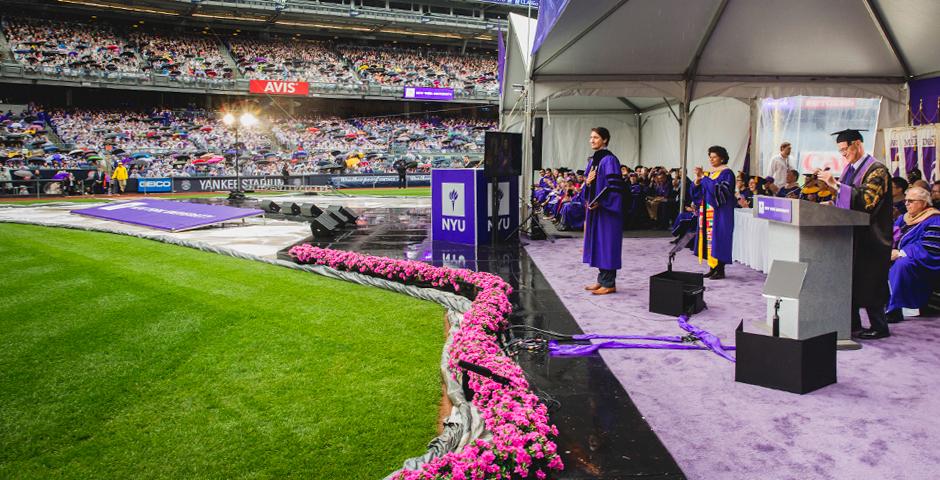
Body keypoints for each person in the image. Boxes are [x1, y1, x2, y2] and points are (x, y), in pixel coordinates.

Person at [817, 129, 892, 340]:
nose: (843, 155)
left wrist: (834, 184)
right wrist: (830, 202)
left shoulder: (877, 170)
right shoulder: (850, 169)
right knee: (849, 280)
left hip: (872, 235)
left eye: (844, 149)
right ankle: (852, 323)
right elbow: (846, 198)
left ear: (857, 144)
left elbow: (867, 201)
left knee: (870, 280)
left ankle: (879, 326)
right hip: (853, 234)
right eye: (840, 151)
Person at [887, 186, 940, 323]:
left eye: (911, 201)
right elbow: (891, 236)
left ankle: (899, 307)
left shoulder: (934, 220)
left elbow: (930, 247)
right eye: (906, 201)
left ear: (923, 203)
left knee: (902, 264)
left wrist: (901, 253)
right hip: (898, 255)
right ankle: (876, 303)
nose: (906, 204)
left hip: (922, 261)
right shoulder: (904, 219)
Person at [582, 127, 625, 295]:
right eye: (591, 137)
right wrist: (588, 182)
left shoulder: (609, 160)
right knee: (599, 244)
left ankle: (609, 283)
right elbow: (589, 184)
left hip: (608, 211)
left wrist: (601, 202)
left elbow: (614, 187)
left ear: (605, 140)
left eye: (596, 137)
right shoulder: (594, 160)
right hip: (596, 210)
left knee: (607, 245)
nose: (592, 140)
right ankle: (602, 280)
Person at [692, 145, 735, 280]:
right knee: (709, 239)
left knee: (720, 238)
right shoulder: (710, 173)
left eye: (714, 157)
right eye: (710, 157)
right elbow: (700, 193)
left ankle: (720, 269)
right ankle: (712, 267)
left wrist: (704, 179)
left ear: (722, 158)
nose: (711, 159)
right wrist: (698, 182)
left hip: (721, 212)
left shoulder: (727, 173)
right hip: (708, 211)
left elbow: (719, 191)